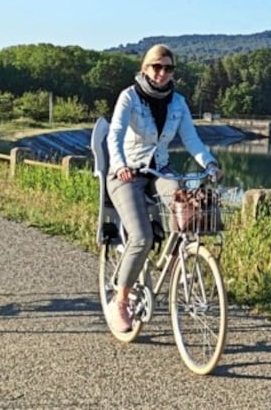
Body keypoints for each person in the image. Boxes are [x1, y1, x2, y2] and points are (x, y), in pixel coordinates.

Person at [106, 44, 222, 332]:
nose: (162, 73)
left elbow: (192, 140)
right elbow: (115, 134)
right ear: (145, 68)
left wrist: (209, 163)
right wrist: (120, 164)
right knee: (141, 236)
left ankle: (180, 262)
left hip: (160, 170)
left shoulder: (178, 102)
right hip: (127, 173)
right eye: (157, 67)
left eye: (168, 68)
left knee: (188, 211)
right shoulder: (129, 97)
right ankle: (120, 301)